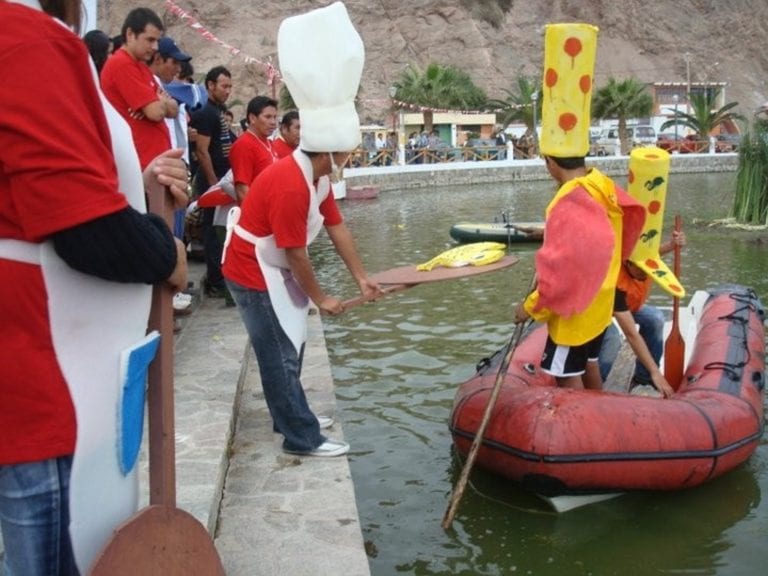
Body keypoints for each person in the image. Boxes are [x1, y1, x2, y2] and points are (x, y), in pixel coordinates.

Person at [1, 1, 189, 574]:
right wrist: (168, 252)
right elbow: (84, 227)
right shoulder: (25, 36)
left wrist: (137, 185)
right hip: (36, 375)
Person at [222, 1, 380, 457]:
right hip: (252, 269)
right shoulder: (291, 183)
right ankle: (300, 437)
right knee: (278, 352)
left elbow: (337, 228)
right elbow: (296, 254)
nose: (349, 160)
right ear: (328, 149)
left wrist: (361, 277)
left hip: (274, 264)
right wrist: (322, 298)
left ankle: (289, 413)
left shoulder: (319, 176)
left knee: (293, 342)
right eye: (346, 153)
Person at [513, 23, 645, 391]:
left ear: (549, 163)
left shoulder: (570, 201)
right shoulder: (600, 185)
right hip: (600, 303)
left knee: (565, 371)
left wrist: (531, 307)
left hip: (575, 311)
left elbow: (564, 271)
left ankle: (580, 429)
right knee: (589, 361)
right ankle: (598, 405)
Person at [100, 7, 175, 169]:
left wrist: (158, 102)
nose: (155, 47)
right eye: (150, 40)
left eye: (157, 41)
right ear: (130, 34)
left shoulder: (140, 67)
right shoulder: (122, 65)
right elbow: (155, 113)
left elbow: (173, 109)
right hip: (141, 165)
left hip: (153, 162)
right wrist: (159, 101)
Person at [190, 65, 234, 298]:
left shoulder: (219, 111)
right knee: (212, 231)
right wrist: (214, 183)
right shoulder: (207, 114)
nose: (227, 91)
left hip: (221, 178)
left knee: (221, 229)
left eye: (229, 86)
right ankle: (216, 280)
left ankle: (221, 276)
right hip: (212, 180)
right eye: (223, 86)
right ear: (210, 85)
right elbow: (203, 151)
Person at [229, 96, 279, 202]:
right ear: (252, 118)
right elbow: (242, 189)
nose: (273, 122)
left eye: (274, 117)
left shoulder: (269, 143)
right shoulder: (244, 145)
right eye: (268, 117)